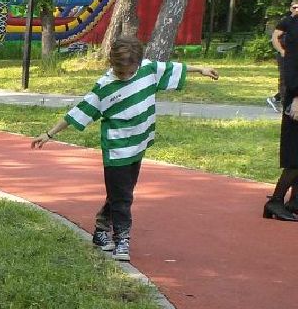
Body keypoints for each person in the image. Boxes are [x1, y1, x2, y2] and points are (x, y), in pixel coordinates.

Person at [32, 33, 218, 259]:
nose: (125, 76)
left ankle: (101, 229)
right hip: (117, 148)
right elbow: (80, 112)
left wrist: (201, 70)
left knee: (121, 192)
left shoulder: (148, 70)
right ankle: (122, 240)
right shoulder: (105, 86)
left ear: (137, 64)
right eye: (120, 72)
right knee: (123, 197)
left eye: (129, 72)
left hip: (138, 144)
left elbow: (172, 68)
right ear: (112, 64)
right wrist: (49, 133)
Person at [265, 0, 298, 216]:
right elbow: (294, 65)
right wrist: (296, 97)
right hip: (297, 98)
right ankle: (276, 201)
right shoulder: (294, 25)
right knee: (296, 154)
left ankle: (294, 201)